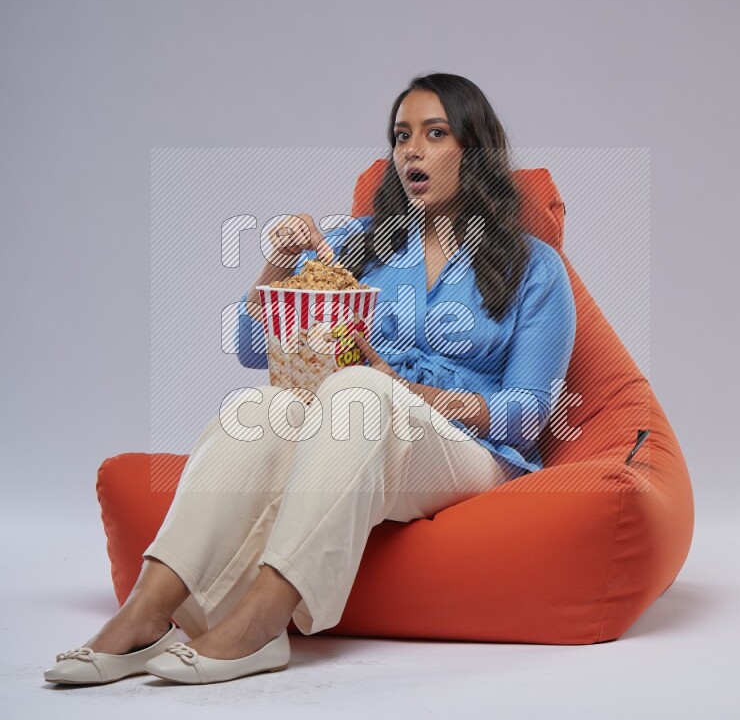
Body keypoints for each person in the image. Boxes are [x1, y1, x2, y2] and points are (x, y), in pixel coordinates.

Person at [43, 72, 577, 686]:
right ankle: (148, 610)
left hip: (473, 454)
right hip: (357, 431)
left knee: (361, 391)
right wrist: (277, 262)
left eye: (435, 134)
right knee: (260, 407)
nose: (411, 150)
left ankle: (263, 624)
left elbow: (531, 411)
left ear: (474, 150)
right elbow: (251, 346)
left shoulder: (535, 267)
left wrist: (412, 393)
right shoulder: (360, 247)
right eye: (402, 136)